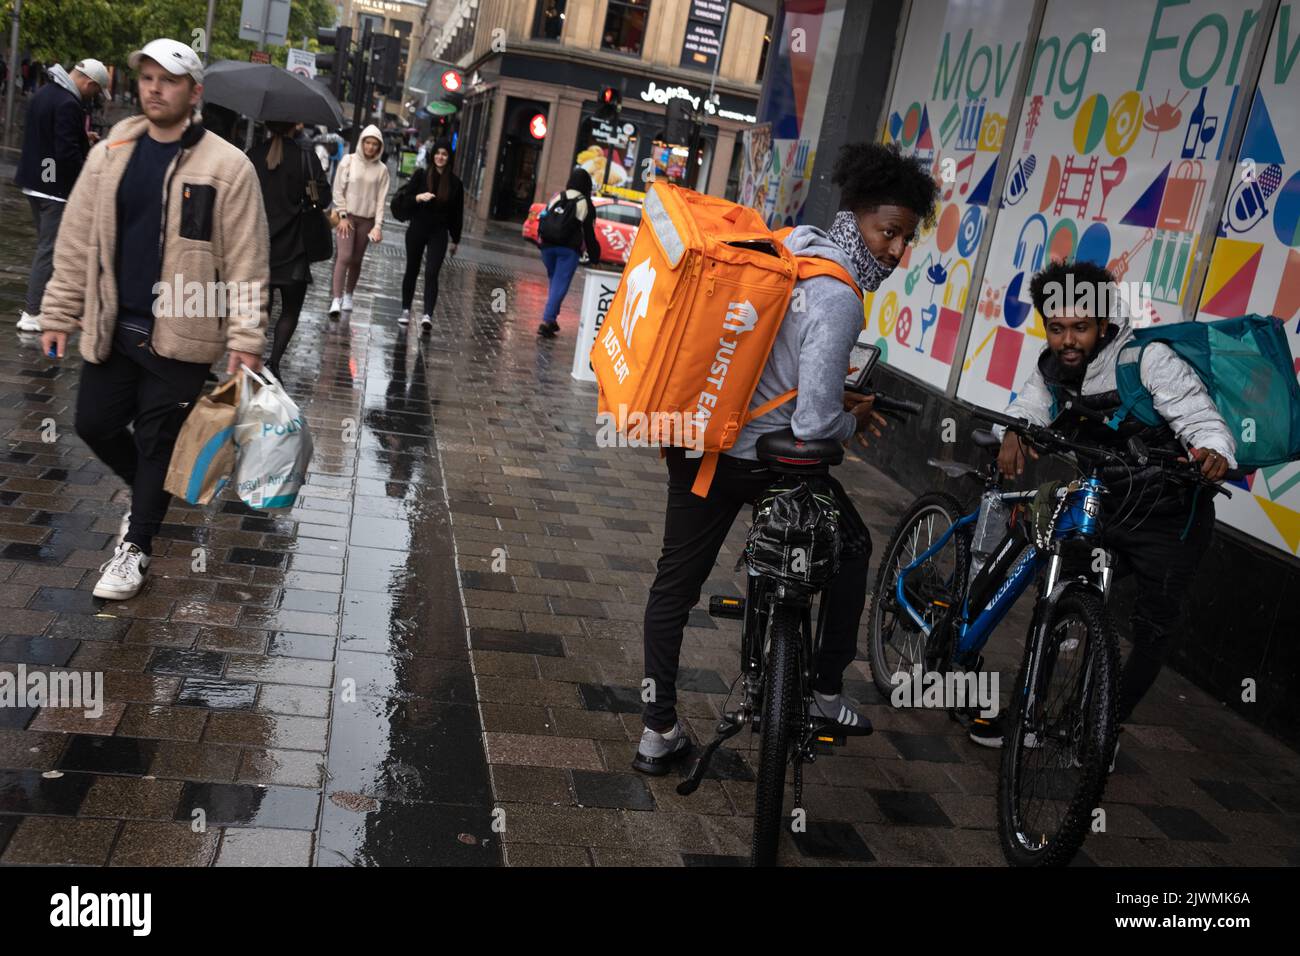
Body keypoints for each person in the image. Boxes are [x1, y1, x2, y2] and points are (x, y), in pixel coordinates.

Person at [632, 142, 940, 774]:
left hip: (702, 447)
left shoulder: (788, 245)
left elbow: (772, 358)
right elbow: (815, 423)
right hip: (770, 462)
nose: (895, 250)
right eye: (889, 232)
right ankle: (826, 690)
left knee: (674, 586)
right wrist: (851, 414)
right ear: (855, 214)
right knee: (852, 548)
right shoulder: (840, 298)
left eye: (906, 240)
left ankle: (655, 731)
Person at [970, 259, 1235, 752]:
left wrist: (1213, 451)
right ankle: (1027, 716)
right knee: (1054, 598)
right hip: (1107, 507)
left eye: (1080, 327)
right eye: (1057, 328)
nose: (1067, 339)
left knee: (1154, 630)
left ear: (1105, 322)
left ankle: (1102, 727)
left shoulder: (1146, 359)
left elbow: (1198, 416)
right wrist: (1014, 428)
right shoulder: (1053, 364)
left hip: (1170, 520)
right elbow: (1033, 404)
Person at [38, 38, 269, 601]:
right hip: (114, 326)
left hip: (185, 333)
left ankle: (135, 547)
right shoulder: (111, 151)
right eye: (146, 78)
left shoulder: (227, 166)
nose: (154, 89)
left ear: (195, 91)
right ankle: (149, 497)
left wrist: (246, 336)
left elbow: (246, 259)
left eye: (167, 80)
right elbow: (74, 243)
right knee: (94, 423)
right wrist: (57, 312)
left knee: (157, 443)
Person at [12, 58, 108, 333]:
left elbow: (48, 137)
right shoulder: (68, 103)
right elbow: (65, 153)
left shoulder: (45, 92)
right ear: (89, 83)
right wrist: (86, 180)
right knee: (50, 249)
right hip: (53, 189)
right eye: (96, 91)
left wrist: (81, 136)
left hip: (35, 181)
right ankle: (32, 313)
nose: (94, 96)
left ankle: (51, 308)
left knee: (49, 247)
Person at [247, 120, 331, 380]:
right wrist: (306, 190)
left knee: (262, 309)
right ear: (296, 125)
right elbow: (322, 199)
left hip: (260, 247)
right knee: (290, 310)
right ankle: (274, 362)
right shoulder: (305, 159)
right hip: (294, 248)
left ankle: (254, 361)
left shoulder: (253, 156)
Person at [395, 137, 463, 331]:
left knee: (432, 272)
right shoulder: (421, 175)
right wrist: (418, 197)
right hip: (418, 227)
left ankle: (427, 314)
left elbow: (457, 213)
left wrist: (455, 239)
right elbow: (405, 199)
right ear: (433, 155)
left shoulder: (455, 184)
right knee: (412, 269)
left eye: (444, 154)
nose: (440, 157)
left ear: (449, 158)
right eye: (438, 153)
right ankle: (406, 309)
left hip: (439, 232)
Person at [328, 124, 389, 317]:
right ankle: (336, 299)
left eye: (374, 144)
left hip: (367, 220)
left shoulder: (382, 170)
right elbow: (338, 190)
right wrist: (343, 216)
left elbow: (381, 200)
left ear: (379, 147)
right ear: (362, 142)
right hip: (347, 217)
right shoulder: (349, 161)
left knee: (356, 260)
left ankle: (348, 295)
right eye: (367, 142)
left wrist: (378, 226)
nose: (370, 147)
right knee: (344, 256)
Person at [536, 166, 602, 338]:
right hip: (568, 250)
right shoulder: (584, 203)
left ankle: (552, 320)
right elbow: (589, 233)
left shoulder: (558, 196)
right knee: (560, 285)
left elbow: (543, 217)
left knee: (554, 283)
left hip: (547, 247)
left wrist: (540, 241)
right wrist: (595, 256)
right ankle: (547, 320)